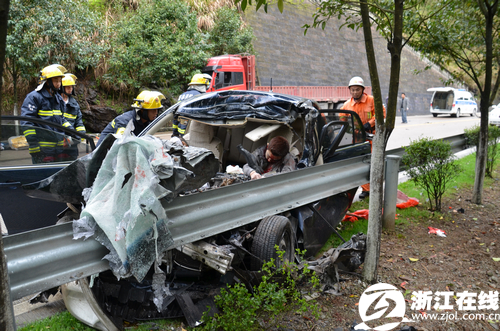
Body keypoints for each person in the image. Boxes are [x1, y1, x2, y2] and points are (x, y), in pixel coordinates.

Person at [340, 76, 384, 199]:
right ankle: (366, 189)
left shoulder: (371, 100)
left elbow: (382, 114)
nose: (355, 92)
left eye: (357, 90)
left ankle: (374, 187)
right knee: (361, 162)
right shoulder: (347, 105)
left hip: (371, 137)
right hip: (357, 138)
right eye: (352, 90)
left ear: (362, 89)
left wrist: (369, 124)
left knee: (372, 163)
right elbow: (341, 117)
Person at [21, 64, 72, 164]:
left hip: (58, 149)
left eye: (59, 81)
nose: (58, 84)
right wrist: (34, 146)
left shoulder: (58, 98)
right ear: (47, 81)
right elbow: (27, 123)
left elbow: (61, 119)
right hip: (42, 151)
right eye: (55, 81)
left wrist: (71, 132)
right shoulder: (34, 97)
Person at [96, 90, 165, 147]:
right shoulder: (125, 122)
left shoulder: (146, 122)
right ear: (142, 110)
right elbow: (120, 146)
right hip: (104, 156)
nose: (156, 113)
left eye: (157, 110)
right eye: (153, 110)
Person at [59, 73, 86, 160]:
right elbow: (58, 120)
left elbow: (79, 121)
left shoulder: (74, 103)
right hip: (59, 144)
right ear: (62, 87)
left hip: (72, 145)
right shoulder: (56, 102)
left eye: (71, 87)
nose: (70, 89)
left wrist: (81, 134)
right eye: (68, 87)